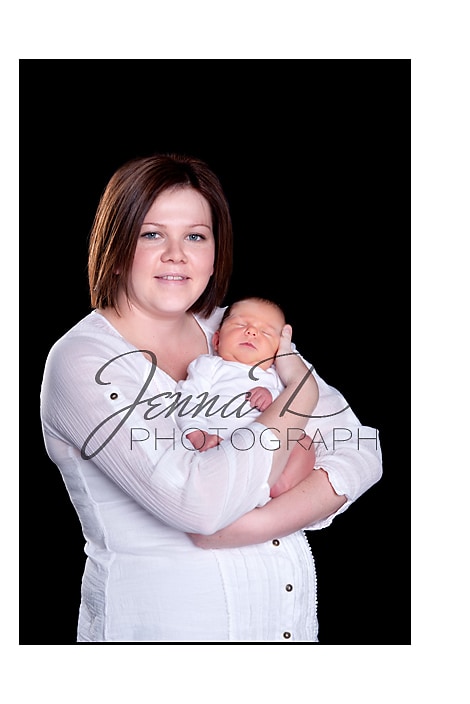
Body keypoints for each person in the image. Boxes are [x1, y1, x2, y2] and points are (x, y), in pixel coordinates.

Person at [40, 152, 383, 643]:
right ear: (116, 243)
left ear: (215, 252)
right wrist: (299, 395)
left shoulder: (235, 329)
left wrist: (253, 526)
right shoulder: (85, 361)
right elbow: (198, 504)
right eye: (151, 234)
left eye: (196, 236)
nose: (176, 254)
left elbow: (360, 448)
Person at [175, 296, 316, 498]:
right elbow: (189, 398)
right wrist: (197, 433)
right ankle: (248, 488)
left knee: (304, 443)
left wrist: (271, 396)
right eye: (240, 325)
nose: (251, 332)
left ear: (276, 352)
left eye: (265, 332)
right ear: (217, 340)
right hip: (223, 443)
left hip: (269, 449)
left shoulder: (275, 376)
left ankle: (279, 483)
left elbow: (291, 408)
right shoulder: (210, 366)